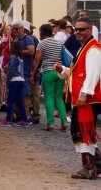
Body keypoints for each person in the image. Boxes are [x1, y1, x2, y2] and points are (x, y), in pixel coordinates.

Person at [54, 17, 101, 179]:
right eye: (76, 29)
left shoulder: (93, 49)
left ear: (90, 30)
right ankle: (96, 165)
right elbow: (76, 72)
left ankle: (89, 168)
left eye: (82, 29)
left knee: (83, 133)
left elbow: (93, 73)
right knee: (83, 131)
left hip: (87, 100)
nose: (78, 32)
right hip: (83, 99)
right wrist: (63, 70)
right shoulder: (83, 49)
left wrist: (84, 93)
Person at [31, 24, 68, 131]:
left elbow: (37, 59)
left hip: (48, 72)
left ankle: (50, 123)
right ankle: (64, 121)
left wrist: (32, 73)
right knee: (59, 98)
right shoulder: (58, 42)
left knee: (49, 98)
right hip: (59, 72)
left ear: (42, 32)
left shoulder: (41, 43)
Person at [0, 41, 29, 127]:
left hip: (14, 80)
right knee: (19, 101)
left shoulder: (13, 57)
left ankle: (8, 120)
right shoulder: (21, 58)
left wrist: (8, 81)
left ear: (13, 48)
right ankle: (25, 120)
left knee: (10, 100)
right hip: (21, 80)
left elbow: (11, 71)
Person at [11, 20, 35, 122]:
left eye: (16, 29)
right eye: (13, 29)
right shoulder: (16, 40)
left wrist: (18, 51)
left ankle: (26, 116)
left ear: (22, 29)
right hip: (16, 71)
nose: (14, 31)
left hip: (24, 71)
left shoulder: (28, 38)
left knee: (25, 94)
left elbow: (31, 51)